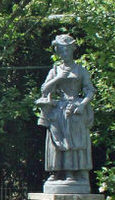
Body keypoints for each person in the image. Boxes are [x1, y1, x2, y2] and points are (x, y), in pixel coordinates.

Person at [35, 33, 94, 191]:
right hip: (58, 109)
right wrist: (58, 78)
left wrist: (82, 105)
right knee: (56, 140)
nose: (64, 53)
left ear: (72, 50)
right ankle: (57, 171)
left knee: (75, 141)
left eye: (67, 50)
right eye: (61, 50)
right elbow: (44, 89)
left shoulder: (81, 70)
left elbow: (90, 91)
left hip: (75, 110)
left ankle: (72, 172)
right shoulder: (55, 70)